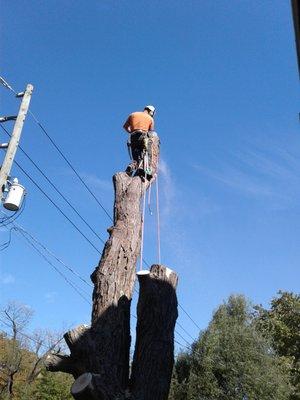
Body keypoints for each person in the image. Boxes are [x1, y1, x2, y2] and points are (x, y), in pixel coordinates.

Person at [123, 105, 156, 177]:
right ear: (151, 111)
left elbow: (125, 127)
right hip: (143, 136)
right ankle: (147, 169)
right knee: (148, 153)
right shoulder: (150, 119)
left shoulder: (132, 115)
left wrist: (131, 132)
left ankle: (132, 166)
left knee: (136, 156)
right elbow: (151, 133)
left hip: (133, 137)